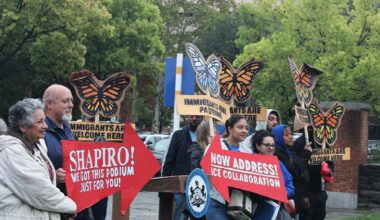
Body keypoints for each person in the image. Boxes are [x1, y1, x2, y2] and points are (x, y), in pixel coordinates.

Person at [0, 98, 76, 219]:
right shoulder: (12, 151)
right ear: (23, 126)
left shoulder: (34, 145)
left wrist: (53, 175)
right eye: (40, 121)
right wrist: (71, 206)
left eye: (45, 120)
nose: (45, 126)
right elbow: (39, 190)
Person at [43, 84, 93, 220]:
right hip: (54, 208)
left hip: (77, 206)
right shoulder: (40, 132)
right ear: (49, 104)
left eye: (71, 100)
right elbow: (30, 165)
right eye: (65, 101)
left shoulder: (69, 130)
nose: (71, 105)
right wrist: (52, 175)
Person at [162, 115, 203, 220]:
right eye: (191, 116)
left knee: (198, 215)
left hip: (201, 185)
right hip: (181, 185)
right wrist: (165, 183)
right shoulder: (178, 135)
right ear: (187, 117)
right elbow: (169, 160)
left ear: (202, 117)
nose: (194, 118)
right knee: (180, 214)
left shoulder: (207, 136)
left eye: (197, 116)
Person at [187, 121, 228, 219]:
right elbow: (199, 170)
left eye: (215, 133)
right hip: (202, 199)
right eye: (211, 134)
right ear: (203, 135)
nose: (214, 136)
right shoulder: (196, 151)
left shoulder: (221, 148)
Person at [250, 130, 295, 219]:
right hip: (257, 211)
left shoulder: (279, 164)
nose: (271, 148)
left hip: (277, 211)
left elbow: (290, 186)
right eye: (267, 145)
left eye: (273, 145)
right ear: (258, 146)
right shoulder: (250, 163)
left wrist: (283, 192)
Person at [272, 125, 312, 220]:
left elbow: (303, 174)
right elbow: (294, 172)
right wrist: (305, 155)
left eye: (291, 134)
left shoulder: (289, 153)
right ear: (277, 138)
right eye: (286, 134)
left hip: (294, 200)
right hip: (282, 204)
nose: (291, 137)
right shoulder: (277, 154)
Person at [295, 128, 333, 220]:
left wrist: (329, 171)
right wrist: (303, 195)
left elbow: (331, 163)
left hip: (321, 191)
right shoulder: (300, 142)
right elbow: (296, 169)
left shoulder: (324, 143)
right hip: (307, 193)